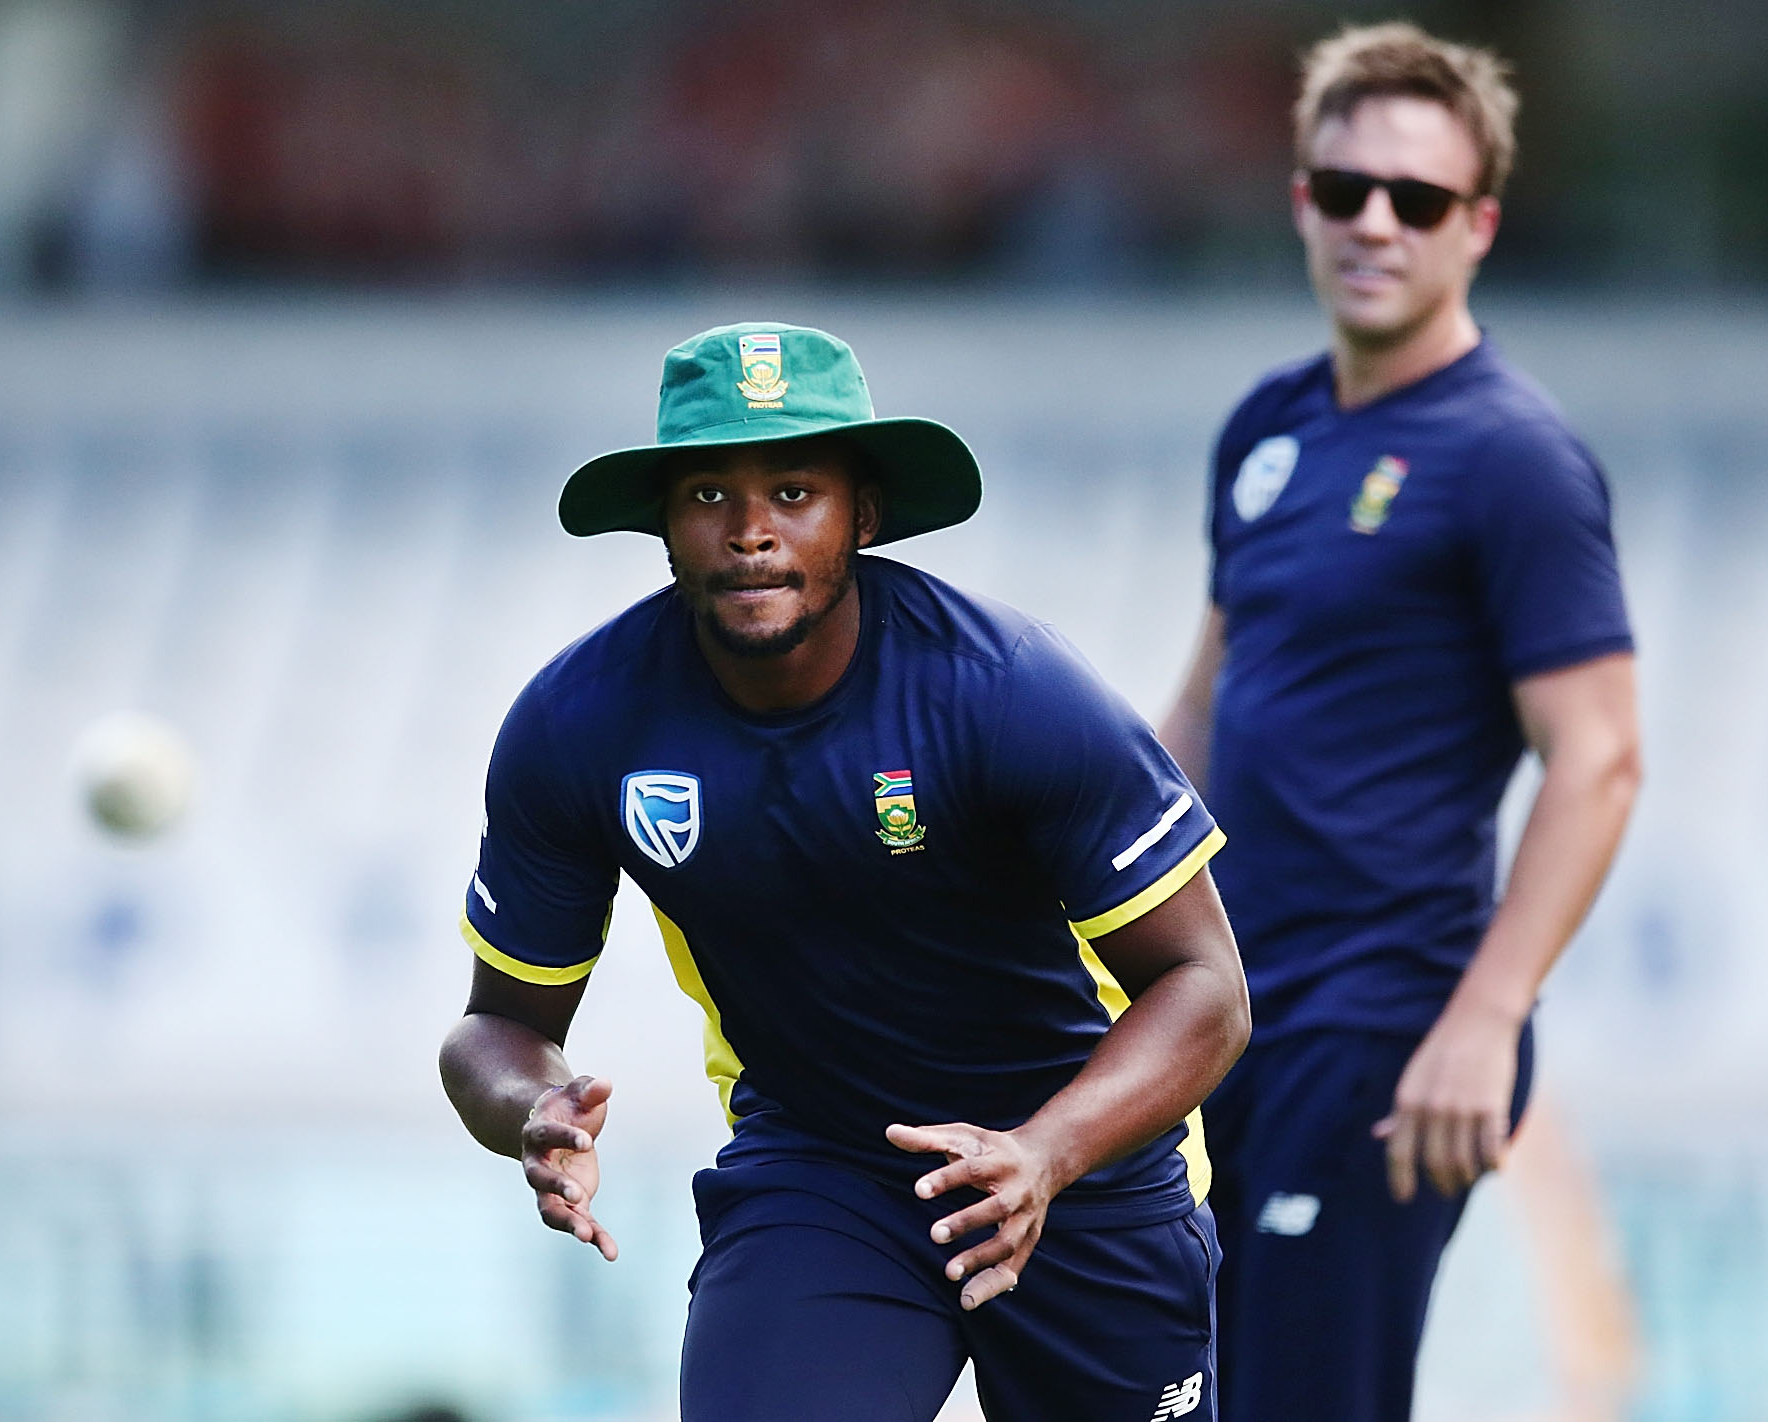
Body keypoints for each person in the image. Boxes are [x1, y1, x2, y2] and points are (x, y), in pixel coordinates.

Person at [441, 322, 1250, 1422]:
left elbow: (1207, 992)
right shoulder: (577, 726)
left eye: (793, 493)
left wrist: (1044, 1154)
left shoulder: (1009, 690)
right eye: (710, 496)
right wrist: (534, 1108)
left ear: (862, 516)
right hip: (823, 1168)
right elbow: (495, 1027)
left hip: (1084, 1168)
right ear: (664, 524)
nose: (751, 533)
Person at [1157, 24, 1643, 1422]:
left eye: (1417, 198)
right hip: (1226, 1010)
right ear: (1302, 201)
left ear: (1476, 226)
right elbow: (1204, 701)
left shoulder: (1512, 458)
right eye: (1345, 187)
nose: (1376, 221)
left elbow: (1599, 757)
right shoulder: (1266, 427)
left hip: (1383, 1024)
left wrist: (1485, 1019)